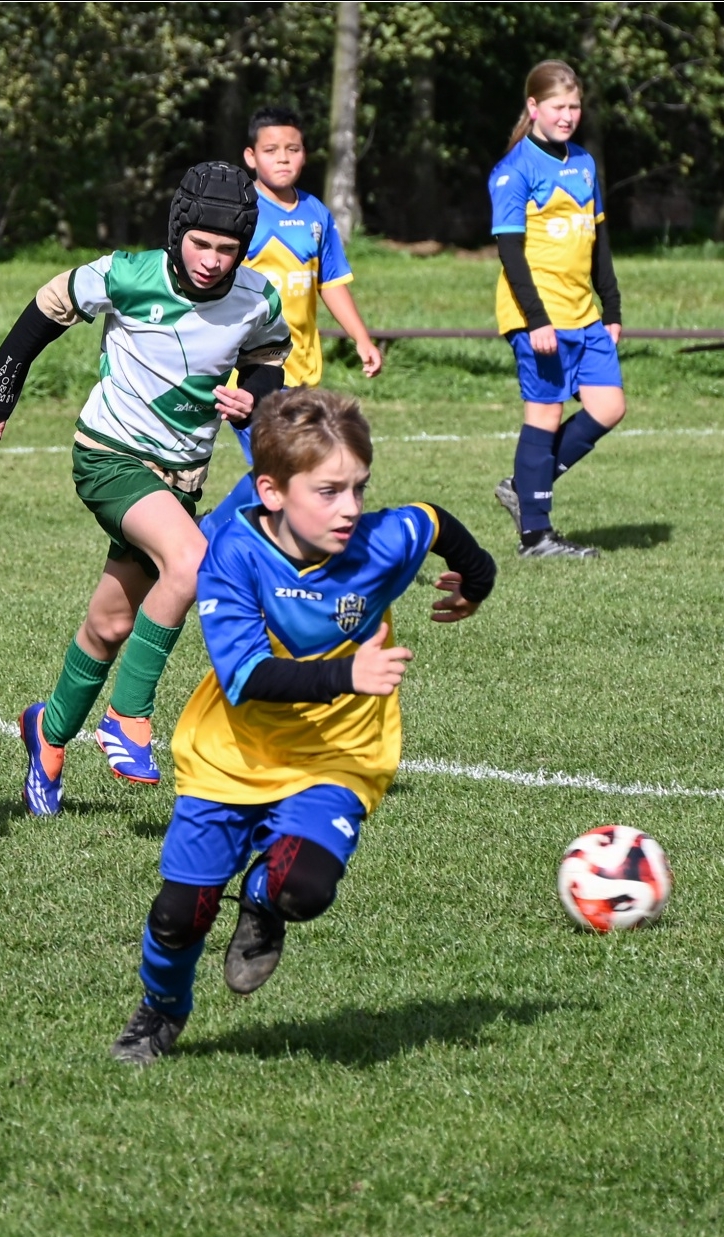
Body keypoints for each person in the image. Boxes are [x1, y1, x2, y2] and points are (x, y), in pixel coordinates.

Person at [109, 388, 498, 1065]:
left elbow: (433, 522)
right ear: (272, 491)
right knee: (179, 915)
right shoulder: (232, 553)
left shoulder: (381, 540)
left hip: (339, 755)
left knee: (302, 888)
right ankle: (162, 1009)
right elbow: (246, 676)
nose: (350, 508)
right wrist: (349, 675)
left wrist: (478, 578)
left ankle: (262, 903)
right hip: (232, 754)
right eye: (328, 491)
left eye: (358, 488)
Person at [0, 162, 291, 816]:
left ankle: (48, 734)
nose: (212, 260)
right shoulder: (126, 274)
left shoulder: (257, 298)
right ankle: (127, 716)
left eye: (227, 249)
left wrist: (254, 399)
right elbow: (48, 306)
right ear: (177, 233)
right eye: (200, 244)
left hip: (179, 479)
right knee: (192, 561)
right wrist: (1, 386)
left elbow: (268, 360)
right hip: (110, 457)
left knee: (111, 623)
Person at [201, 105, 383, 538]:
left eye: (293, 149)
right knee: (287, 468)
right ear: (250, 156)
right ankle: (213, 534)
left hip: (300, 369)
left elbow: (330, 282)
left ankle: (211, 531)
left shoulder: (316, 214)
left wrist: (361, 338)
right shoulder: (240, 213)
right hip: (250, 372)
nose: (283, 158)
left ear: (305, 154)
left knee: (286, 468)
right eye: (271, 150)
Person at [488, 60, 625, 559]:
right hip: (538, 314)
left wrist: (611, 307)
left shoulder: (584, 163)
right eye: (557, 107)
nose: (567, 116)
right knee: (545, 414)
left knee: (609, 407)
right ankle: (536, 537)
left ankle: (524, 486)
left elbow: (598, 240)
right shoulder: (514, 170)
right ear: (534, 108)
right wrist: (537, 320)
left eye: (574, 107)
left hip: (583, 312)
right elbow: (509, 252)